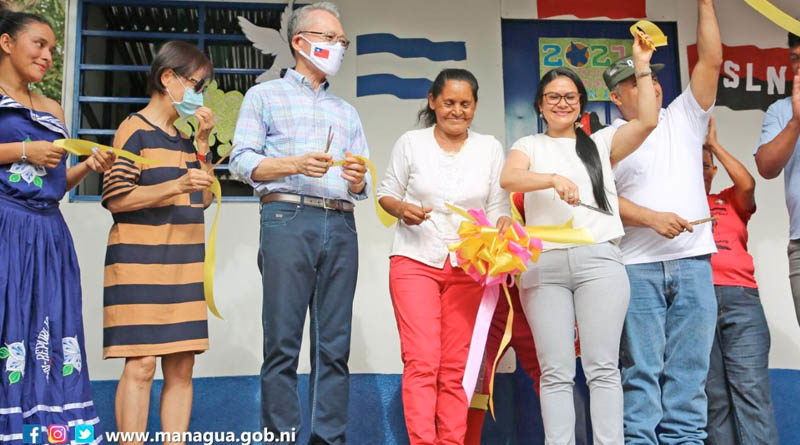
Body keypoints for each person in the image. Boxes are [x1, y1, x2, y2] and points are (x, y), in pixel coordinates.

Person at [499, 30, 658, 444]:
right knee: (555, 371)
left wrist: (641, 65)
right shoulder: (528, 144)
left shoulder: (601, 143)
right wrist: (552, 178)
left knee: (602, 367)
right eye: (553, 96)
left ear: (581, 105)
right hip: (544, 266)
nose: (562, 103)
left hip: (599, 263)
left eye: (570, 96)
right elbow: (508, 176)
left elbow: (647, 119)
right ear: (539, 104)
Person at [229, 2, 368, 443]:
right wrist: (293, 163)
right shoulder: (263, 96)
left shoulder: (347, 111)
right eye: (329, 39)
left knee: (334, 348)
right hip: (287, 216)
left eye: (341, 41)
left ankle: (329, 438)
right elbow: (241, 161)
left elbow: (363, 181)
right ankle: (282, 437)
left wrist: (360, 178)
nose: (338, 47)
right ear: (299, 42)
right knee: (283, 344)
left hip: (342, 223)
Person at [606, 1, 723, 443]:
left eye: (653, 77)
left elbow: (711, 59)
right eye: (635, 82)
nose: (648, 85)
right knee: (641, 376)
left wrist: (705, 2)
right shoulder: (605, 137)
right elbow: (600, 200)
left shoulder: (684, 118)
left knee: (690, 375)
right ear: (617, 97)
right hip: (635, 268)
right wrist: (650, 218)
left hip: (693, 263)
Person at [377, 68, 511, 445]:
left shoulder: (489, 148)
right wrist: (402, 209)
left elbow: (499, 204)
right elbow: (385, 192)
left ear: (476, 106)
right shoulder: (411, 142)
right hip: (414, 261)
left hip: (469, 266)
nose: (457, 111)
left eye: (465, 104)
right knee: (422, 362)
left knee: (457, 367)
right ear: (433, 101)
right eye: (449, 102)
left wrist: (503, 223)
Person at [0, 7, 114, 441]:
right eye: (39, 44)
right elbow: (23, 158)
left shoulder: (52, 109)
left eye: (53, 48)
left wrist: (87, 166)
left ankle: (46, 429)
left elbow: (55, 184)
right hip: (5, 225)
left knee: (49, 327)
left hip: (48, 233)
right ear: (7, 43)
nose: (48, 55)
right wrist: (23, 150)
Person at [101, 40, 216, 442]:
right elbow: (117, 198)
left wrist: (202, 146)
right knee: (142, 365)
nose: (200, 94)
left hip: (183, 265)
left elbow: (201, 199)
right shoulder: (133, 129)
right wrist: (176, 184)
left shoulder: (185, 142)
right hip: (139, 265)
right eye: (196, 83)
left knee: (182, 366)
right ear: (168, 78)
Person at [703, 117, 778, 444]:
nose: (702, 170)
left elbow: (748, 184)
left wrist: (714, 146)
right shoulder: (671, 207)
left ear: (714, 170)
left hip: (741, 300)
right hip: (696, 303)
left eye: (707, 165)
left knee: (751, 393)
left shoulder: (728, 199)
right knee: (713, 399)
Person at [754, 31, 800, 326]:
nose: (799, 67)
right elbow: (767, 168)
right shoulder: (780, 110)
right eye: (795, 59)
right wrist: (796, 120)